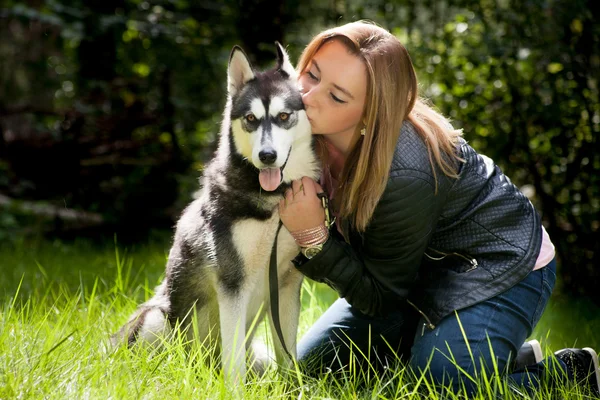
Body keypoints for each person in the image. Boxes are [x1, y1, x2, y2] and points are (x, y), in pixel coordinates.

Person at [278, 20, 600, 396]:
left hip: (496, 264)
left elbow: (380, 296)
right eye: (311, 74)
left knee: (438, 388)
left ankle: (567, 374)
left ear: (370, 114)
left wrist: (313, 237)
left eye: (337, 96)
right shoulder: (298, 134)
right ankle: (497, 360)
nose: (308, 96)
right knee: (311, 372)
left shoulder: (405, 172)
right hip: (411, 272)